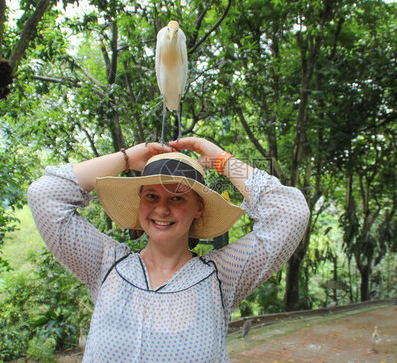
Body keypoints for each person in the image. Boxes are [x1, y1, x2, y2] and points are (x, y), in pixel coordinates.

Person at [27, 137, 309, 362]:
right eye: (151, 196)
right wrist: (126, 158)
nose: (161, 209)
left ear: (199, 208)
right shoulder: (105, 263)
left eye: (177, 197)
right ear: (140, 203)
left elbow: (291, 213)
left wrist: (221, 160)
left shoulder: (222, 276)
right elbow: (44, 194)